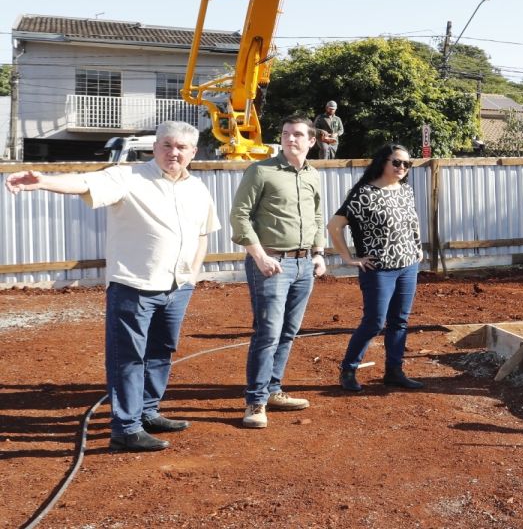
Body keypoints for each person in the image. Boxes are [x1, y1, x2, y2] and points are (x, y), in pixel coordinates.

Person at [5, 122, 220, 452]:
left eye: (181, 147)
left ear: (193, 152)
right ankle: (126, 428)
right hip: (134, 286)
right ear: (155, 147)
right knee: (128, 358)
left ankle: (148, 412)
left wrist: (191, 274)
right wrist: (44, 181)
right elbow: (86, 183)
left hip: (177, 287)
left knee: (161, 352)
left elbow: (202, 234)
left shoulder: (198, 188)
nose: (173, 152)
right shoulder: (127, 177)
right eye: (166, 145)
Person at [229, 115, 327, 429]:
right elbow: (239, 215)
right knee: (268, 332)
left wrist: (318, 253)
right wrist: (258, 256)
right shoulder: (261, 171)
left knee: (288, 331)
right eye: (286, 134)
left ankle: (273, 390)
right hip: (271, 264)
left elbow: (317, 215)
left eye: (297, 134)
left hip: (303, 264)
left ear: (311, 140)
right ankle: (255, 402)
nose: (290, 139)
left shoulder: (312, 174)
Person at [328, 145, 425, 392]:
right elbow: (334, 226)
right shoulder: (364, 194)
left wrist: (417, 246)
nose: (402, 167)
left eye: (407, 164)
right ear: (383, 161)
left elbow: (412, 221)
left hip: (408, 266)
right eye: (397, 162)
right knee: (374, 321)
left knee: (399, 321)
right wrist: (349, 258)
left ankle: (394, 371)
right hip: (379, 269)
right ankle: (348, 370)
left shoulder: (406, 190)